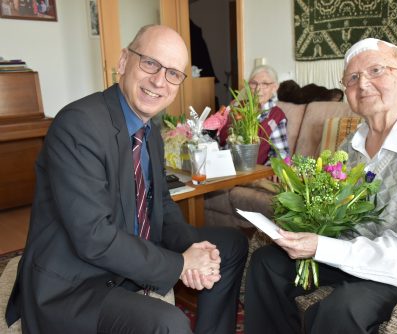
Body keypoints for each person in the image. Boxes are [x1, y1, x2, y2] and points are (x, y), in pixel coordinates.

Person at [5, 24, 247, 334]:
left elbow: (160, 203)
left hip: (128, 257)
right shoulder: (79, 125)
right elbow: (93, 236)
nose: (159, 81)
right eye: (150, 63)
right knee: (168, 323)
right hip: (77, 284)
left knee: (231, 244)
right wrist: (180, 264)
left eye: (173, 73)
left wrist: (194, 249)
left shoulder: (150, 130)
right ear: (123, 62)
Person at [243, 38, 397, 333]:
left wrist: (320, 247)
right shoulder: (351, 144)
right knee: (268, 264)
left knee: (342, 309)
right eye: (352, 78)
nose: (363, 84)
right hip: (361, 250)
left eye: (376, 70)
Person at [220, 64, 290, 165]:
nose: (258, 89)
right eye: (254, 83)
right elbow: (220, 137)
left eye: (265, 84)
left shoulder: (276, 116)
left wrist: (269, 170)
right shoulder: (238, 107)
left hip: (252, 172)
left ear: (274, 87)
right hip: (224, 165)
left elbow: (280, 153)